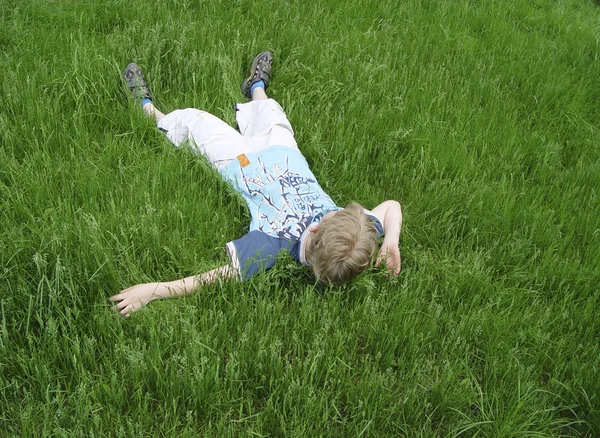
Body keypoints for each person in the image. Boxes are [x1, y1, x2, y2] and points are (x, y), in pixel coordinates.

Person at [110, 51, 402, 317]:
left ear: (314, 230)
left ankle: (148, 111)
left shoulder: (273, 245)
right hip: (285, 152)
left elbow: (216, 276)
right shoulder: (356, 230)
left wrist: (152, 291)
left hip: (241, 161)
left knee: (196, 122)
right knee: (274, 118)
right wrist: (390, 242)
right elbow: (391, 207)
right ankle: (256, 87)